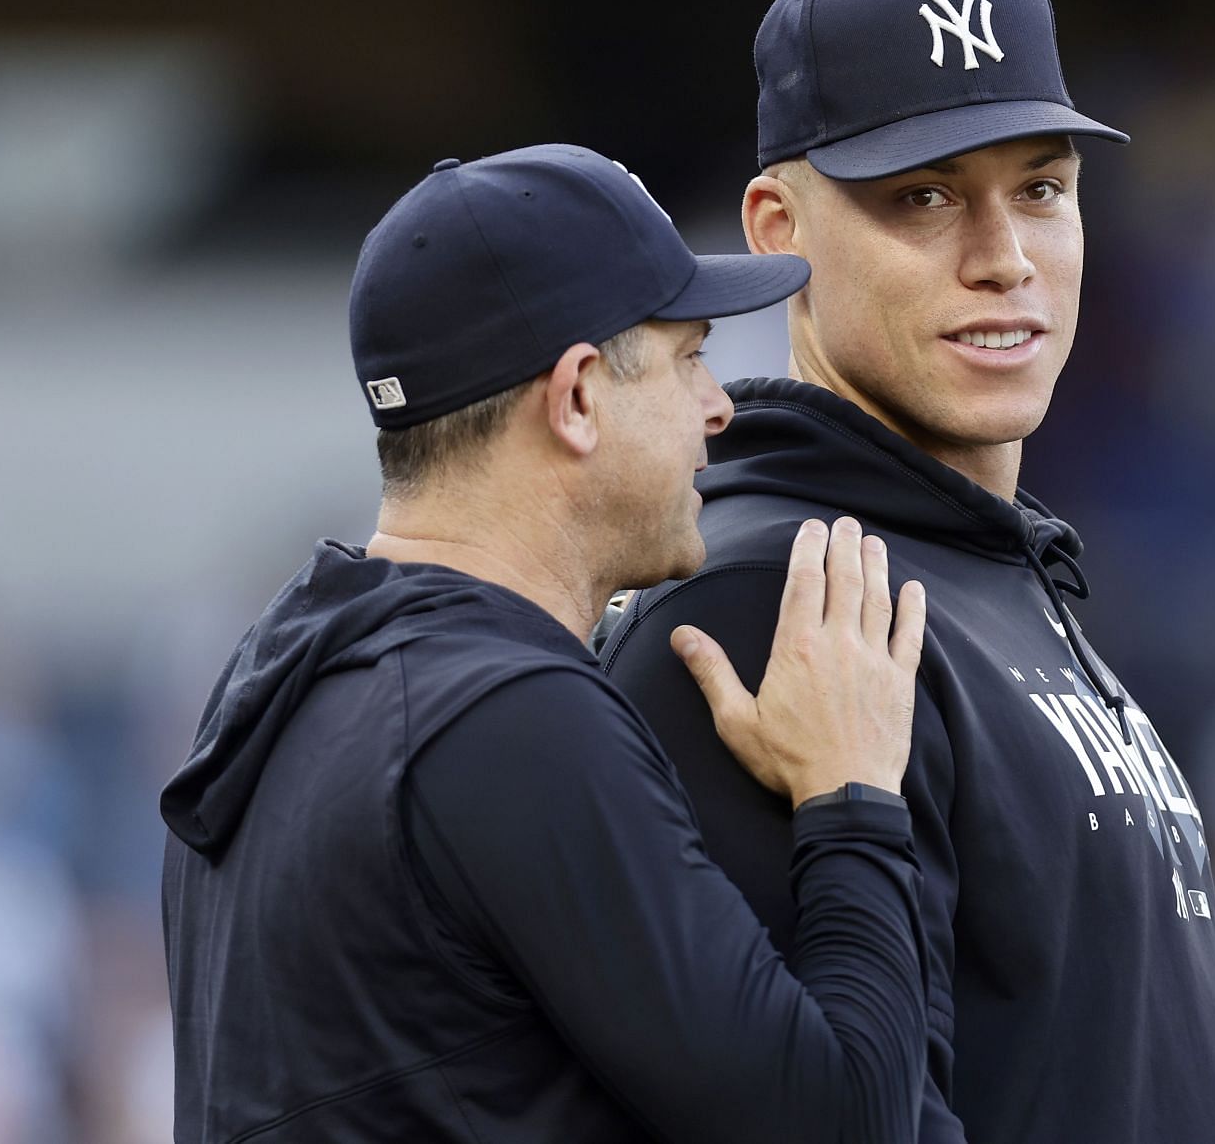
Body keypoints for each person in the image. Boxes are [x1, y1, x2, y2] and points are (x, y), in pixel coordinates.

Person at [602, 0, 1215, 1142]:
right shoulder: (771, 598)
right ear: (774, 225)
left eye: (1040, 189)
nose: (1004, 258)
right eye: (926, 196)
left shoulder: (993, 576)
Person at [159, 143, 936, 1143]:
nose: (719, 406)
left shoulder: (284, 680)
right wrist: (852, 794)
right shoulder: (506, 713)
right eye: (689, 355)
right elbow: (842, 1123)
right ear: (575, 398)